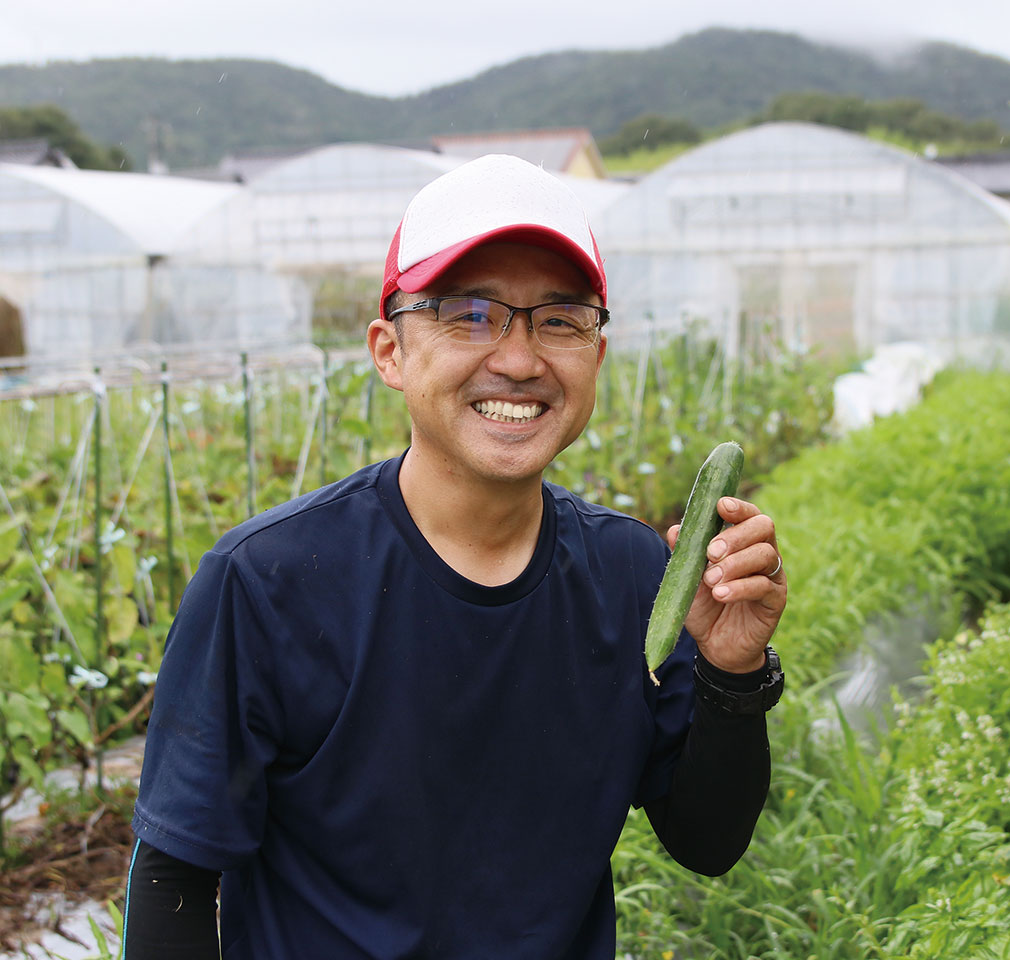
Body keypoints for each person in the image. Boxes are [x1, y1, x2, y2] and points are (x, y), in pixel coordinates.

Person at [123, 154, 788, 959]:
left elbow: (707, 841)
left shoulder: (631, 573)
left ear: (597, 358)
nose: (517, 358)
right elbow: (176, 877)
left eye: (559, 319)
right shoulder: (265, 582)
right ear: (389, 351)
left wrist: (732, 673)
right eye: (470, 314)